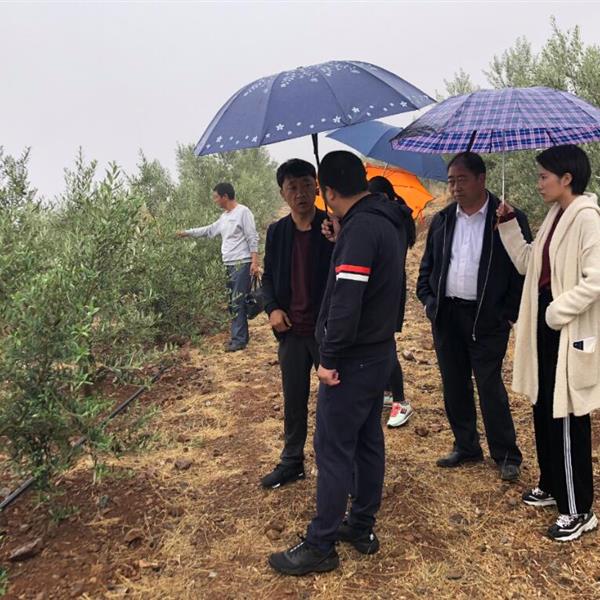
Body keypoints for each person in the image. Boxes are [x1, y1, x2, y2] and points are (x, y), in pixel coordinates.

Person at [269, 151, 407, 576]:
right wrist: (340, 236)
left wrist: (328, 358)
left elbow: (346, 302)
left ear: (327, 191)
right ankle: (361, 524)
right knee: (367, 440)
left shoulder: (361, 230)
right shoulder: (385, 219)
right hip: (378, 351)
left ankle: (321, 543)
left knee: (331, 448)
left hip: (352, 358)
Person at [496, 144, 600, 541]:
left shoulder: (587, 218)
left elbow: (595, 278)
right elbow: (530, 264)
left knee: (568, 414)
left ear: (567, 178)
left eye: (543, 176)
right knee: (543, 404)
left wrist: (558, 310)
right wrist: (508, 226)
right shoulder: (556, 215)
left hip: (566, 325)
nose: (538, 183)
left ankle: (578, 508)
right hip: (546, 321)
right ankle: (552, 483)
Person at [417, 152, 532, 481]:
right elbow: (427, 267)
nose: (455, 187)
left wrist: (508, 313)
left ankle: (506, 453)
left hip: (488, 319)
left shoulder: (506, 217)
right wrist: (430, 303)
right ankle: (466, 446)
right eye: (451, 181)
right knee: (454, 384)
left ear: (481, 179)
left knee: (489, 385)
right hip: (448, 315)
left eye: (462, 180)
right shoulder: (443, 220)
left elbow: (522, 270)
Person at [259, 159, 334, 489]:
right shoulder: (277, 232)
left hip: (326, 332)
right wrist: (272, 309)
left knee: (336, 399)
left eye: (306, 185)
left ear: (317, 188)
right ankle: (292, 461)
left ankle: (337, 463)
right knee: (294, 399)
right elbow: (268, 279)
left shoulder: (331, 227)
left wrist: (338, 237)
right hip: (290, 332)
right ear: (283, 193)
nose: (301, 193)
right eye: (293, 187)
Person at [176, 182, 259, 352]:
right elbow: (209, 230)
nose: (215, 200)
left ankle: (239, 340)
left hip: (241, 263)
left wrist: (254, 262)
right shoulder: (224, 217)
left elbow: (252, 237)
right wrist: (187, 233)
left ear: (225, 196)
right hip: (228, 264)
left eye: (216, 197)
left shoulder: (243, 212)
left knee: (237, 301)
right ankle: (238, 337)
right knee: (233, 302)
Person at [368, 175, 416, 428]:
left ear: (383, 197)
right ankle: (388, 392)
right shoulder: (396, 215)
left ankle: (400, 400)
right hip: (389, 286)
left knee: (385, 343)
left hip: (387, 288)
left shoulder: (392, 219)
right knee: (381, 340)